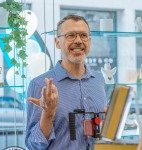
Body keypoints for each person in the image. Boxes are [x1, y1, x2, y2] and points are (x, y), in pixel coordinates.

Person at [25, 14, 107, 150]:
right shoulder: (40, 85)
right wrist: (48, 114)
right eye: (71, 35)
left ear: (89, 41)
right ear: (57, 42)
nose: (78, 41)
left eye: (83, 35)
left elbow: (102, 133)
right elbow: (33, 145)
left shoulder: (99, 80)